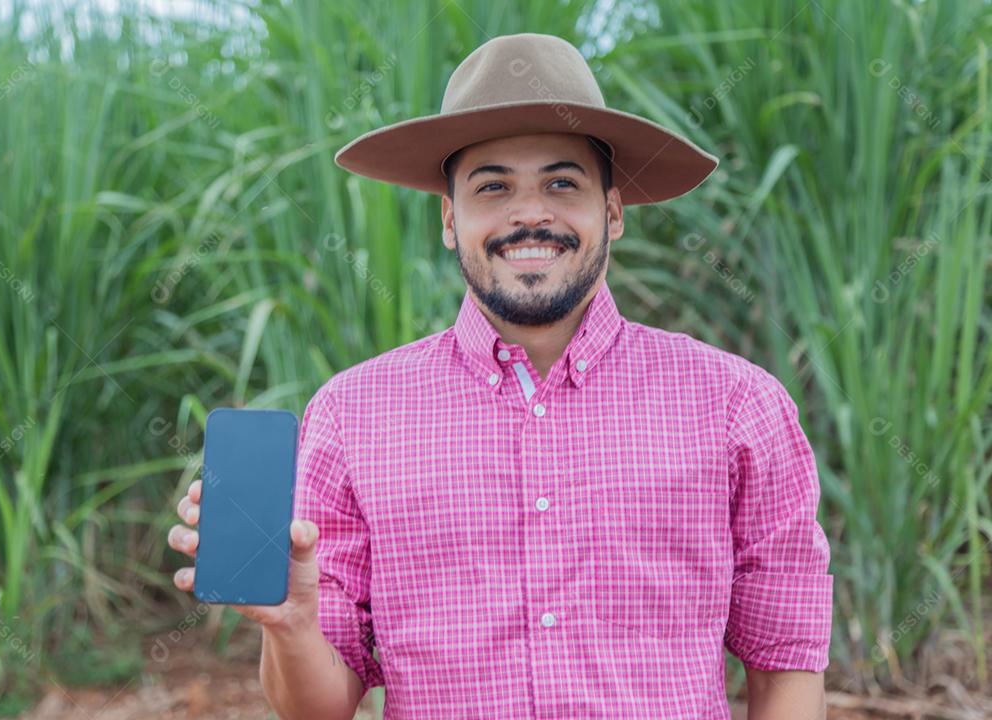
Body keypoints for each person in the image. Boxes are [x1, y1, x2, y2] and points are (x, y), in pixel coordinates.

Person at [168, 32, 832, 720]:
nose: (530, 213)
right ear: (451, 218)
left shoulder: (736, 405)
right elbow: (318, 708)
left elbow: (786, 666)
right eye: (494, 187)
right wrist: (291, 623)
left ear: (612, 210)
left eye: (561, 182)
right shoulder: (351, 415)